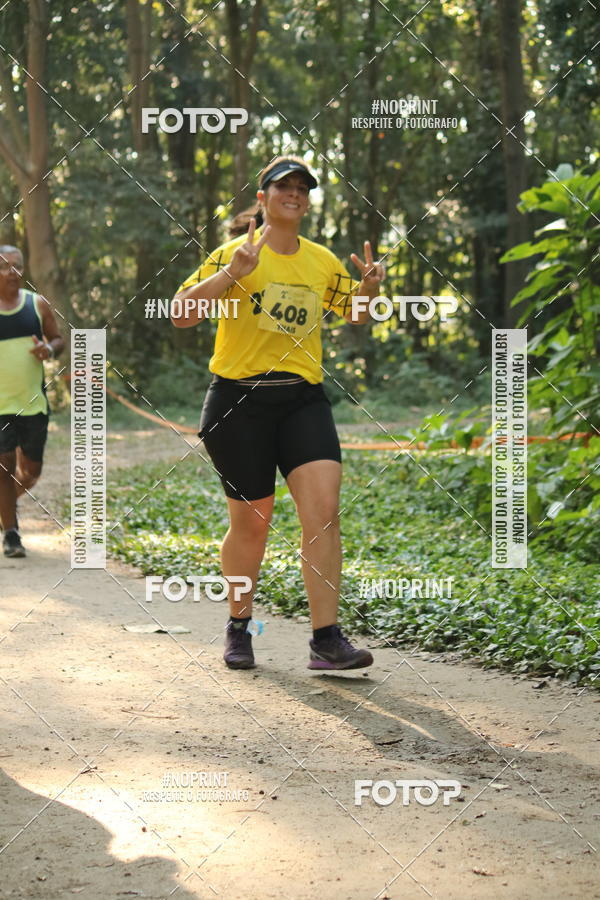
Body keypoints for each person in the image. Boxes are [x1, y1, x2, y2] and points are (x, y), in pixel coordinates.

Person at [171, 156, 384, 671]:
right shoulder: (234, 253)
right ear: (262, 199)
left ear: (307, 201)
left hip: (301, 400)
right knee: (252, 525)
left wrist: (371, 290)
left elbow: (353, 314)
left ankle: (327, 641)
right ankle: (239, 627)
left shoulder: (321, 261)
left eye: (302, 187)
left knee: (323, 514)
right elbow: (181, 313)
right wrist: (231, 273)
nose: (294, 193)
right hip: (238, 402)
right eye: (282, 186)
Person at [0, 246, 64, 557]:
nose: (13, 272)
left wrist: (48, 351)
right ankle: (11, 533)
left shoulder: (36, 304)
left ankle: (4, 509)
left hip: (33, 403)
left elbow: (58, 339)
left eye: (18, 266)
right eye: (5, 266)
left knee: (32, 472)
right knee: (4, 467)